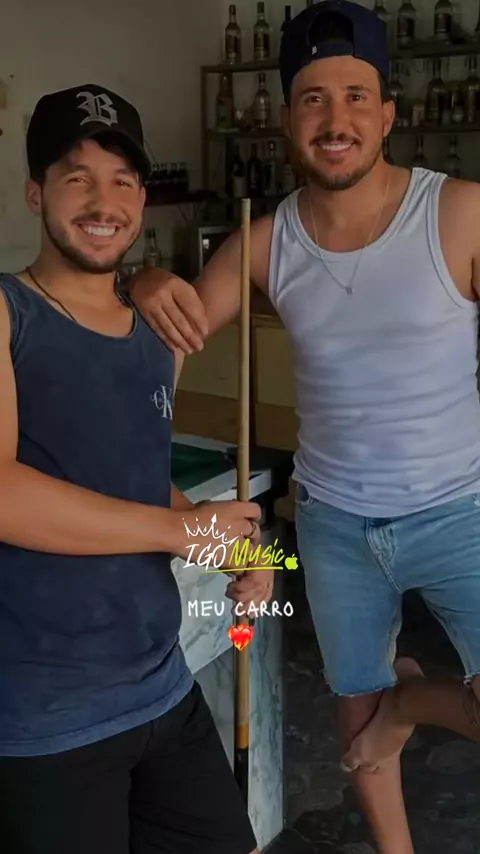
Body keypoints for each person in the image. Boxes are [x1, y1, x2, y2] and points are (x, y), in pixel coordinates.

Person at [128, 2, 480, 853]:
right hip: (333, 523)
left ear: (388, 114)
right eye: (314, 99)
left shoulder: (462, 213)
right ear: (287, 119)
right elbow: (156, 351)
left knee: (385, 715)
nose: (336, 120)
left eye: (356, 97)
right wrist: (141, 287)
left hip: (460, 511)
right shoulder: (261, 243)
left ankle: (410, 701)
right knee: (355, 730)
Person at [0, 82, 272, 854]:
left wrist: (233, 550)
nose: (103, 201)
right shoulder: (8, 314)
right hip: (46, 721)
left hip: (161, 688)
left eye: (123, 181)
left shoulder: (158, 336)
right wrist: (179, 533)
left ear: (143, 200)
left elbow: (138, 484)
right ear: (35, 192)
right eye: (77, 177)